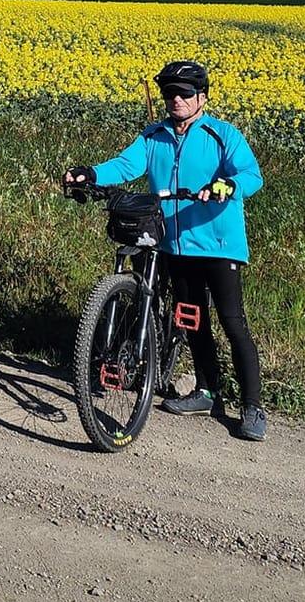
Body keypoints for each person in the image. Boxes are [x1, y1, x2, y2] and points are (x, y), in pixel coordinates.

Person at [64, 59, 267, 441]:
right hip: (172, 243)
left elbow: (251, 175)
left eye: (184, 93)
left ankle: (252, 406)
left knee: (231, 322)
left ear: (202, 98)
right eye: (169, 93)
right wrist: (90, 173)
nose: (175, 99)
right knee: (191, 320)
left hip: (217, 244)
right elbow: (126, 165)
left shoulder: (222, 134)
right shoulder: (154, 135)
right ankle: (207, 391)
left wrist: (227, 185)